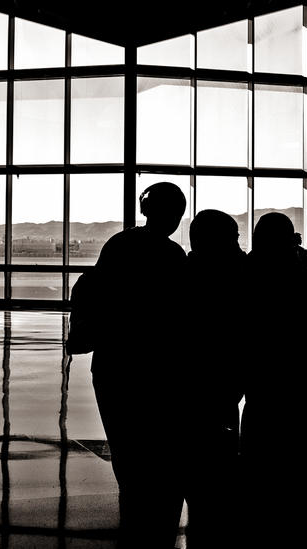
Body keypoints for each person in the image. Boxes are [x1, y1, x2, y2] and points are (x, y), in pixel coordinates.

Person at [89, 182, 188, 548]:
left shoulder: (118, 245)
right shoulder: (174, 256)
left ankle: (131, 507)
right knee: (153, 444)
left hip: (114, 361)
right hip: (157, 367)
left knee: (125, 443)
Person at [243, 212, 307, 546]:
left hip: (263, 384)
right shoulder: (306, 278)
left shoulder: (249, 273)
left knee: (262, 456)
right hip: (303, 386)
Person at [180, 209, 245, 547]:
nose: (238, 245)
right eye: (233, 238)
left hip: (194, 387)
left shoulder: (183, 277)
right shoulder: (231, 277)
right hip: (221, 386)